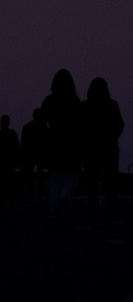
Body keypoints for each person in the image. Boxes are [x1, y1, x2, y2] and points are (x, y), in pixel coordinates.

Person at [35, 71, 83, 218]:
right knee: (71, 176)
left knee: (56, 178)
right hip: (70, 142)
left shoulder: (49, 100)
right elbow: (80, 123)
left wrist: (45, 137)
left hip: (54, 142)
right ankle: (65, 197)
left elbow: (41, 121)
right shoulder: (74, 100)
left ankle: (55, 209)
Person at [81, 78, 125, 231]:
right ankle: (111, 216)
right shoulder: (112, 104)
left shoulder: (85, 106)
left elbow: (79, 127)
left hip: (90, 150)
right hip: (109, 149)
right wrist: (112, 138)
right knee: (112, 183)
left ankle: (94, 216)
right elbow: (120, 124)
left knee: (92, 184)